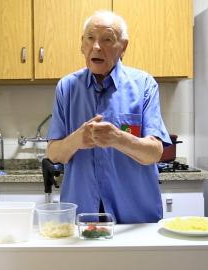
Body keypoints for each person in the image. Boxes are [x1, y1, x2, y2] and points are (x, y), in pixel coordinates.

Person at [46, 10, 171, 224]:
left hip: (135, 217)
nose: (96, 46)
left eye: (107, 39)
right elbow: (54, 153)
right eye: (90, 38)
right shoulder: (67, 87)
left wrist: (117, 138)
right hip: (82, 216)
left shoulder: (144, 85)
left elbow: (154, 153)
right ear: (82, 45)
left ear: (123, 47)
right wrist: (78, 139)